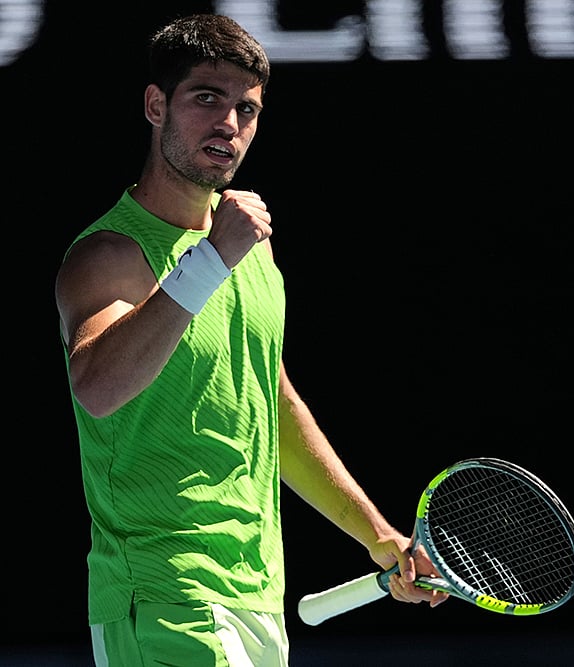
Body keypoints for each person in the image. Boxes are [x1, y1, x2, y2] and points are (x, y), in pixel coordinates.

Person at [54, 13, 445, 667]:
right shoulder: (107, 255)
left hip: (256, 596)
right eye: (206, 98)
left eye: (247, 109)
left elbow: (276, 409)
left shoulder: (251, 256)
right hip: (163, 595)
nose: (228, 124)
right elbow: (96, 387)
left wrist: (379, 535)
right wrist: (208, 260)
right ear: (156, 105)